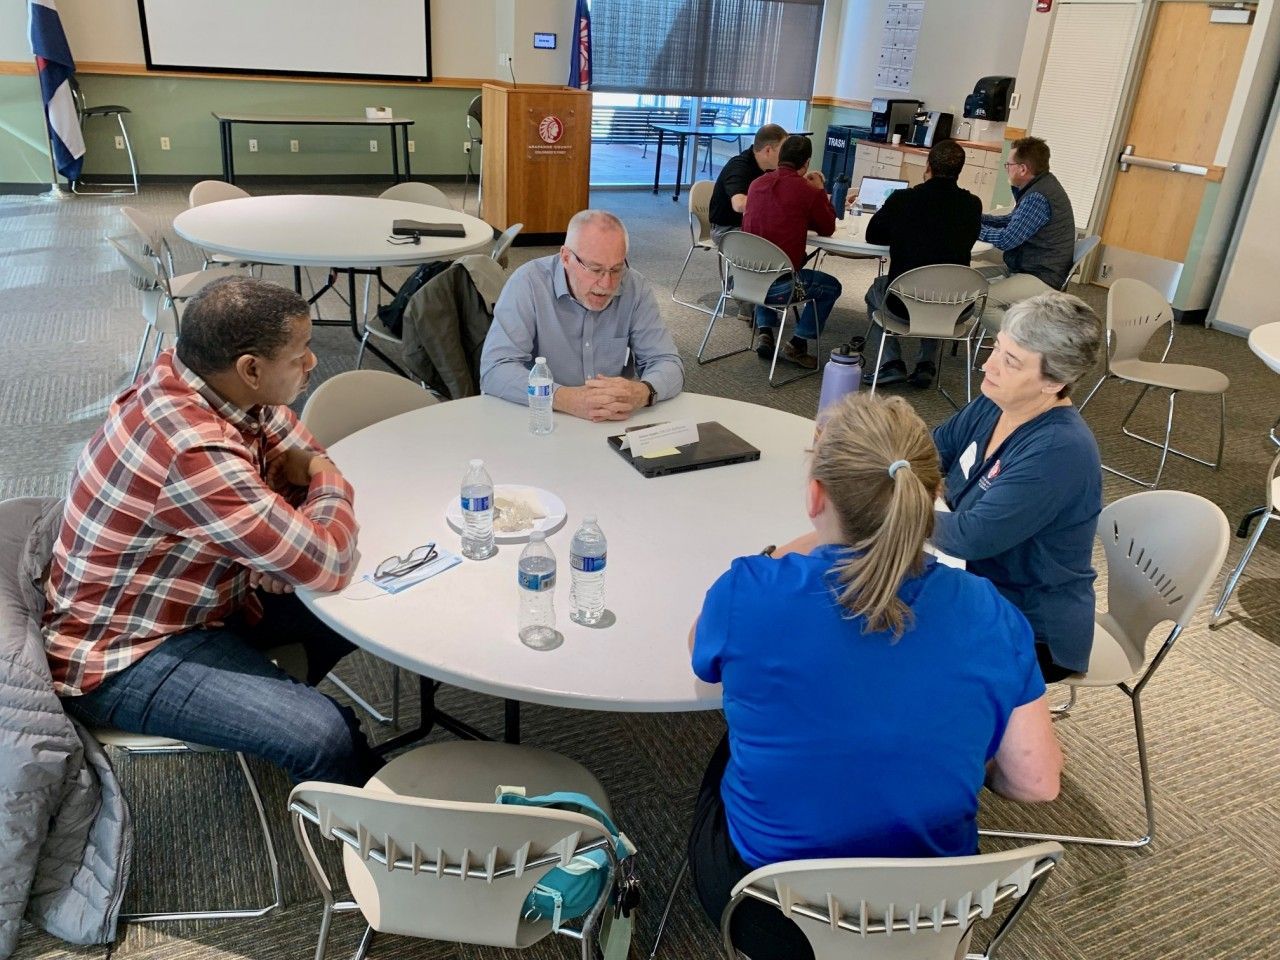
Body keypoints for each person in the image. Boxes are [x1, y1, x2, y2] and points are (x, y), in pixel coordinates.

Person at [687, 393, 1062, 960]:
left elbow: (702, 655)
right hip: (929, 915)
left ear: (816, 496)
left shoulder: (749, 591)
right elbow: (1036, 784)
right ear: (932, 498)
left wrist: (783, 551)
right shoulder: (990, 612)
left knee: (731, 738)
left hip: (773, 912)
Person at [44, 276, 381, 787]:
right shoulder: (189, 448)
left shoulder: (204, 382)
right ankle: (366, 821)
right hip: (124, 651)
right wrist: (323, 481)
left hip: (205, 595)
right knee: (323, 734)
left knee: (370, 601)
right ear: (251, 368)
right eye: (301, 353)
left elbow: (303, 453)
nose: (312, 362)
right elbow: (328, 558)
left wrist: (270, 544)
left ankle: (272, 699)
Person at [932, 292, 1103, 682]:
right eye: (996, 348)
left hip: (1029, 621)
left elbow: (969, 538)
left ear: (1054, 382)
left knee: (885, 636)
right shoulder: (996, 402)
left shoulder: (1059, 450)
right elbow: (928, 451)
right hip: (974, 583)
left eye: (1011, 361)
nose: (988, 366)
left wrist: (898, 502)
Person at [480, 209, 684, 422]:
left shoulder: (634, 286)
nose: (607, 285)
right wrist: (565, 398)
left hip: (612, 423)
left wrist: (643, 392)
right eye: (595, 270)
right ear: (566, 257)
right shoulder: (529, 283)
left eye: (615, 269)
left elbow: (668, 362)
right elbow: (495, 369)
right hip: (542, 418)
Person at [861, 139, 983, 389]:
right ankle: (926, 363)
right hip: (955, 306)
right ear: (960, 171)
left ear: (927, 167)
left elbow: (873, 235)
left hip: (903, 304)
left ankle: (891, 361)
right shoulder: (972, 205)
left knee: (875, 291)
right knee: (941, 287)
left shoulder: (904, 200)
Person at [741, 134, 843, 370]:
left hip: (748, 278)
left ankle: (765, 331)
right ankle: (797, 343)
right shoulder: (806, 192)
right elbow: (827, 228)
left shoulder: (756, 185)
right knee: (831, 286)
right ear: (806, 163)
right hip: (782, 285)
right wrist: (820, 190)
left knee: (767, 264)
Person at [978, 136, 1076, 309]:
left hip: (1040, 275)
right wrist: (975, 217)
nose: (1006, 169)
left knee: (979, 302)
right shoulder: (1043, 185)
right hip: (1030, 266)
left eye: (1008, 165)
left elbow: (1006, 240)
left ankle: (1015, 336)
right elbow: (1011, 221)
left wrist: (971, 228)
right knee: (966, 281)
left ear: (1023, 169)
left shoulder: (1038, 197)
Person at [708, 123, 787, 245]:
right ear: (768, 150)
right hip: (727, 229)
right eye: (783, 151)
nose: (786, 156)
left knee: (787, 233)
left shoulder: (771, 169)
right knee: (778, 239)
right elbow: (739, 204)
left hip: (751, 224)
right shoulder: (739, 167)